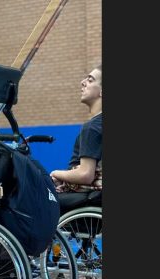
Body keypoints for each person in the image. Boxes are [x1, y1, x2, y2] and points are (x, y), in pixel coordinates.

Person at [50, 64, 102, 213]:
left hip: (92, 198)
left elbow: (85, 175)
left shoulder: (92, 127)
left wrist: (55, 173)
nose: (83, 82)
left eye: (90, 80)